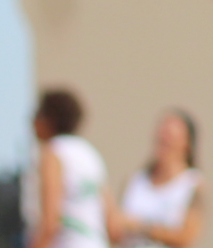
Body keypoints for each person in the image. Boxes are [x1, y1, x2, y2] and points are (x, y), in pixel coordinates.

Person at [26, 90, 110, 248]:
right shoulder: (90, 154)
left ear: (49, 120)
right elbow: (111, 222)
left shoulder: (53, 153)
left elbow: (50, 223)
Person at [111, 111, 202, 248]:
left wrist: (141, 228)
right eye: (161, 136)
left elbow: (187, 237)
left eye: (170, 137)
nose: (164, 139)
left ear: (186, 144)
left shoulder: (192, 184)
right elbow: (115, 229)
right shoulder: (135, 181)